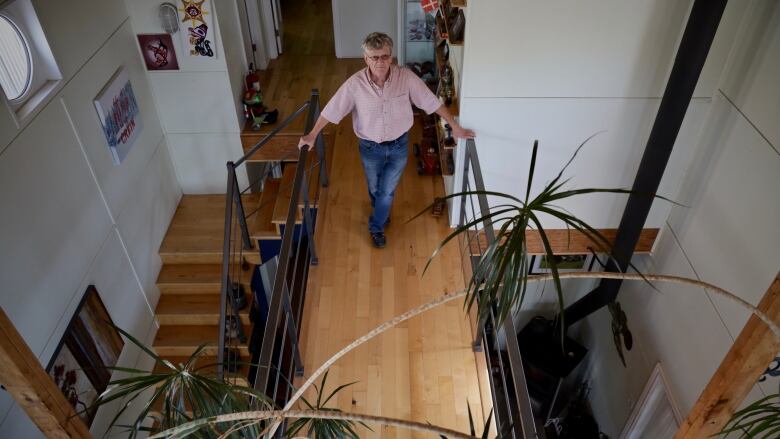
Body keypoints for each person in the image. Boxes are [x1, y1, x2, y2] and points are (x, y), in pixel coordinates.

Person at [299, 32, 475, 248]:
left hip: (399, 146)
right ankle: (382, 212)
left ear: (391, 57)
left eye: (384, 56)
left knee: (386, 191)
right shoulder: (354, 85)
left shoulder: (407, 78)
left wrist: (454, 126)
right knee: (375, 189)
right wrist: (312, 134)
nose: (379, 62)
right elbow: (332, 109)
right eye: (374, 57)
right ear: (365, 59)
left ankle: (377, 226)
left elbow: (431, 102)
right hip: (369, 148)